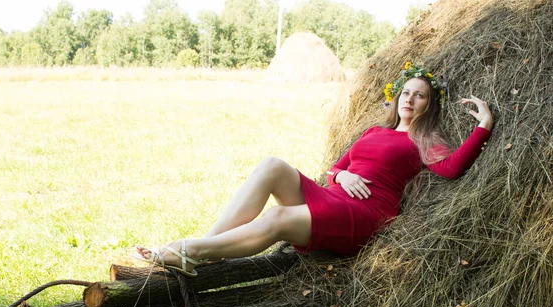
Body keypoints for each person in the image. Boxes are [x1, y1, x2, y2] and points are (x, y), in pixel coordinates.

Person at [134, 62, 494, 277]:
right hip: (335, 195)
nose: (410, 100)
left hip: (366, 213)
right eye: (406, 93)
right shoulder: (375, 131)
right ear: (397, 96)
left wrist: (484, 126)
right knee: (273, 165)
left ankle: (186, 250)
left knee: (279, 218)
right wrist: (343, 174)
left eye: (420, 96)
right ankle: (203, 247)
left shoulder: (425, 138)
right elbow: (336, 168)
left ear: (429, 106)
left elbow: (451, 169)